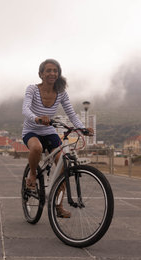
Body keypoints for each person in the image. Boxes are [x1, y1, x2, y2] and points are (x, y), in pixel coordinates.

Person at [22, 58, 92, 218]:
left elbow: (71, 113)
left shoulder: (61, 93)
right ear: (41, 74)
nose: (52, 73)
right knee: (37, 148)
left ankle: (58, 206)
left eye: (55, 70)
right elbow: (25, 108)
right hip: (31, 129)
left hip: (49, 131)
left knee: (63, 165)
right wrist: (37, 118)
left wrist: (82, 128)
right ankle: (32, 174)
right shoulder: (32, 89)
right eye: (48, 70)